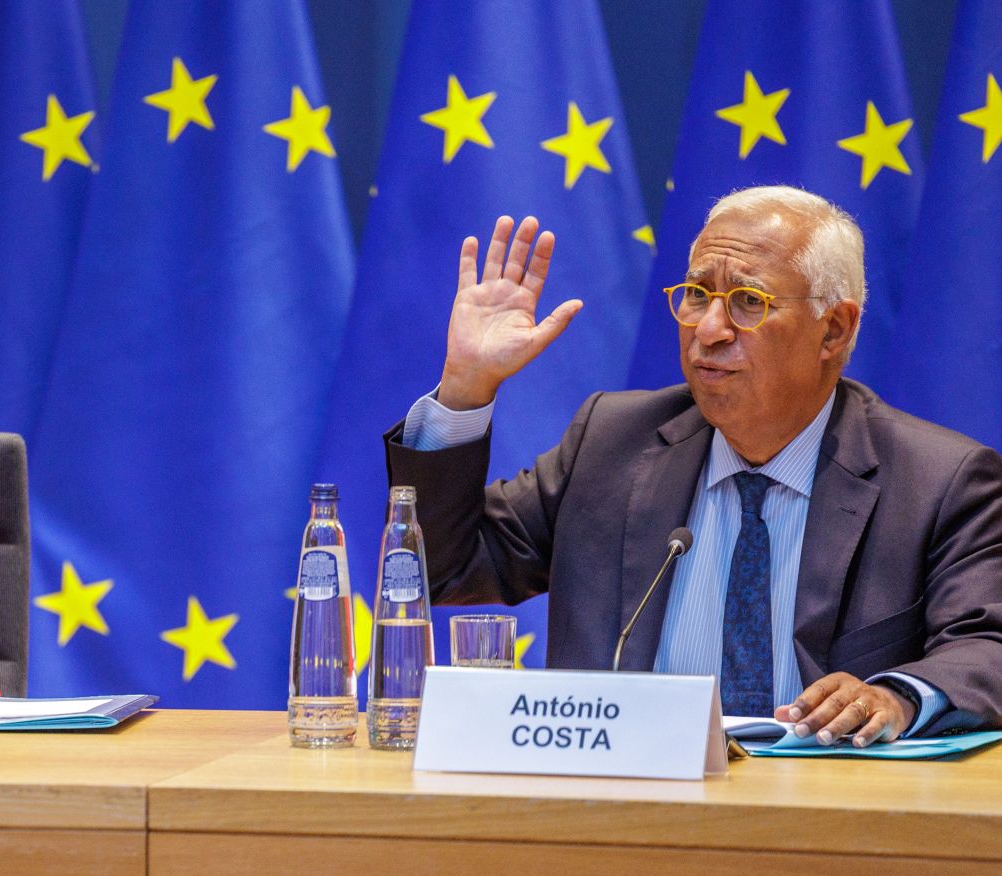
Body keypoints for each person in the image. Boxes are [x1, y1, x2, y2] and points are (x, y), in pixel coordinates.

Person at [387, 185, 1002, 744]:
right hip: (628, 805)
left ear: (834, 330)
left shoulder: (938, 483)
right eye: (697, 295)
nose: (709, 329)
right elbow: (437, 568)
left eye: (748, 302)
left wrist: (896, 697)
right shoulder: (612, 444)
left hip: (828, 810)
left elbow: (987, 647)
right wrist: (465, 387)